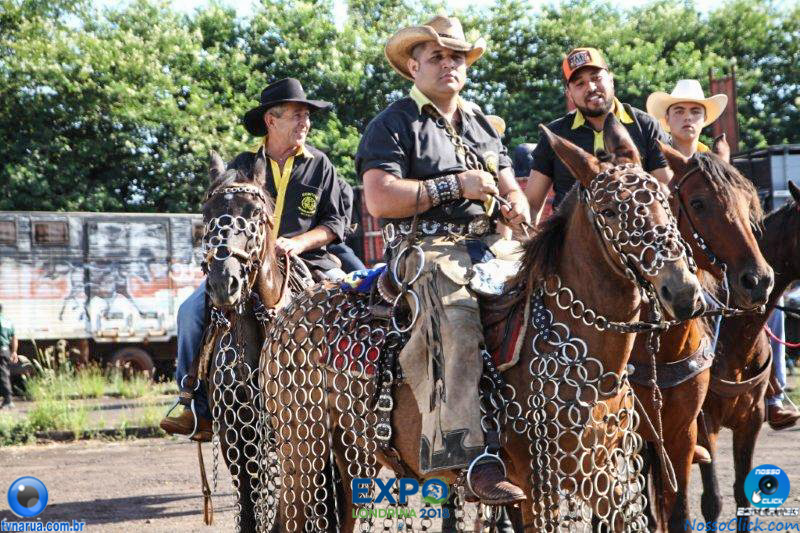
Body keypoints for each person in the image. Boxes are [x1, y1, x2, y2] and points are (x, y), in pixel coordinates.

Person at [356, 15, 530, 505]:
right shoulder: (391, 124)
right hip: (422, 249)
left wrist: (517, 204)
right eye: (437, 56)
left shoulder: (479, 122)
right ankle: (465, 452)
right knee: (454, 312)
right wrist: (454, 186)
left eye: (456, 57)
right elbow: (379, 198)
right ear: (414, 67)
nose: (449, 64)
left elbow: (508, 180)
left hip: (491, 242)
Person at [160, 78, 350, 440]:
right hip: (243, 265)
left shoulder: (320, 166)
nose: (305, 123)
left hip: (308, 261)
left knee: (353, 308)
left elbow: (335, 224)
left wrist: (297, 243)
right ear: (271, 121)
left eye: (307, 116)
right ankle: (192, 404)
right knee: (189, 312)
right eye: (296, 115)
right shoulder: (242, 165)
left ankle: (353, 399)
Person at [526, 47, 672, 224]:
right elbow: (532, 205)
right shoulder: (555, 134)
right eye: (580, 84)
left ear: (611, 80)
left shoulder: (646, 125)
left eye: (596, 78)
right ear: (569, 94)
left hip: (637, 236)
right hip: (570, 243)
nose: (591, 87)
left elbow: (667, 192)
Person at [645, 79, 728, 158]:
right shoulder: (651, 160)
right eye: (679, 112)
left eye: (695, 112)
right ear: (667, 118)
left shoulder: (713, 164)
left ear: (705, 118)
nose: (687, 117)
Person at [0, 303, 18, 409]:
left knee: (3, 375)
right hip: (6, 350)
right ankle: (7, 400)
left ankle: (8, 401)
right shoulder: (8, 321)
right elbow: (14, 338)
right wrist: (14, 351)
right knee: (4, 374)